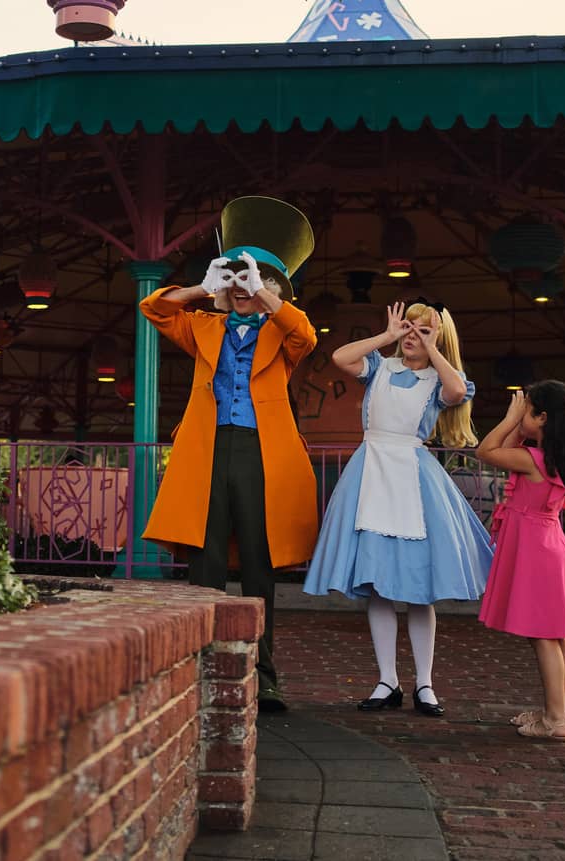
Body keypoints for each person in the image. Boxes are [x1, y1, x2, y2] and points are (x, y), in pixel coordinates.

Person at [140, 196, 320, 712]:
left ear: (271, 290)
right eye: (237, 280)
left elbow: (304, 333)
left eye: (254, 281)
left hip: (262, 454)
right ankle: (202, 667)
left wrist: (264, 294)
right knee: (207, 560)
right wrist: (204, 287)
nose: (243, 289)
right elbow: (152, 307)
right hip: (208, 452)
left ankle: (264, 675)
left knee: (259, 569)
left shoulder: (284, 334)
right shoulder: (203, 326)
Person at [303, 300, 492, 717]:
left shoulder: (439, 380)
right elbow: (339, 357)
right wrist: (386, 337)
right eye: (409, 328)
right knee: (378, 586)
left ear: (438, 337)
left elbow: (458, 391)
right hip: (369, 474)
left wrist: (436, 347)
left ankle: (424, 682)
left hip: (414, 480)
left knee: (419, 590)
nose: (413, 336)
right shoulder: (380, 368)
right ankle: (386, 678)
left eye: (423, 331)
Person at [475, 381, 565, 742]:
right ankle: (553, 709)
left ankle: (556, 719)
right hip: (548, 548)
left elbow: (485, 450)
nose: (522, 413)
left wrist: (509, 418)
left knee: (544, 636)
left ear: (542, 417)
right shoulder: (552, 458)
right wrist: (522, 422)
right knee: (554, 637)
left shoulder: (533, 460)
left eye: (528, 409)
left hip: (536, 553)